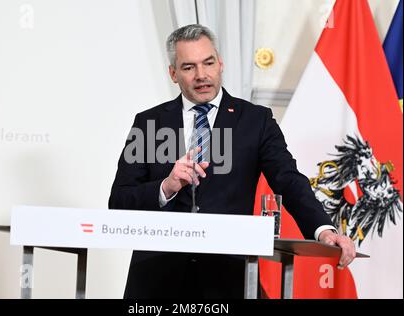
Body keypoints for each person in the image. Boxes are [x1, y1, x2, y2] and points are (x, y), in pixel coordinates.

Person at [108, 24, 356, 298]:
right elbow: (119, 200)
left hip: (228, 278)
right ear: (173, 73)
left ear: (221, 63)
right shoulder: (149, 123)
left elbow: (288, 178)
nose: (202, 75)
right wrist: (166, 187)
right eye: (189, 67)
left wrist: (322, 229)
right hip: (156, 282)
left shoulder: (256, 120)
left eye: (208, 63)